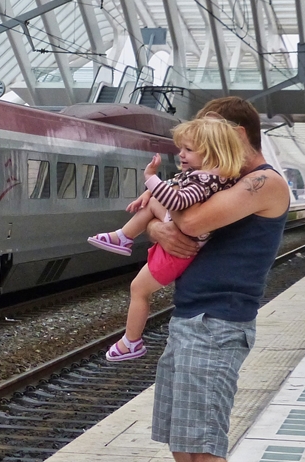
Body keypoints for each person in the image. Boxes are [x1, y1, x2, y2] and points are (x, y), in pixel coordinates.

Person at [143, 97, 290, 462]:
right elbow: (175, 221)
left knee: (206, 448)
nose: (196, 151)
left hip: (218, 325)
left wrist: (162, 221)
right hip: (190, 318)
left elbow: (190, 221)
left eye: (205, 139)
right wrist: (162, 223)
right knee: (183, 442)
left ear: (232, 135)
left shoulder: (263, 182)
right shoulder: (223, 178)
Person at [87, 117, 246, 361]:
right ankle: (123, 236)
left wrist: (150, 178)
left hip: (178, 250)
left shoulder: (204, 181)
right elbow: (175, 184)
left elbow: (178, 200)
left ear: (213, 152)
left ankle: (131, 341)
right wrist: (152, 190)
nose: (181, 154)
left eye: (189, 150)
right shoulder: (215, 177)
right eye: (181, 148)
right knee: (153, 201)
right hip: (181, 238)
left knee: (138, 289)